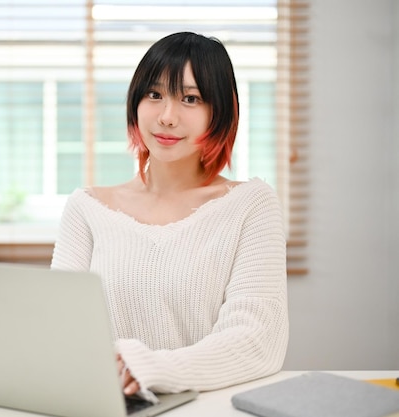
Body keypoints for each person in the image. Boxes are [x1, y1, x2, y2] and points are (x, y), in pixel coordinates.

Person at [50, 32, 289, 399]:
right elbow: (59, 329)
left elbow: (257, 341)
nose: (166, 117)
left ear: (220, 112)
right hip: (103, 404)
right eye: (154, 94)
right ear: (135, 103)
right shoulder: (87, 207)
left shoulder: (251, 204)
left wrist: (151, 370)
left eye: (190, 98)